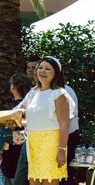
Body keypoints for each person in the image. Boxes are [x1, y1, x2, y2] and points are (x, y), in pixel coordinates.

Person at [24, 57, 76, 185]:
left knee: (49, 181)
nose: (42, 71)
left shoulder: (59, 94)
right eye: (40, 68)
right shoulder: (32, 92)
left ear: (56, 73)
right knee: (33, 181)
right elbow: (22, 112)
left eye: (48, 69)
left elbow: (65, 124)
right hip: (33, 144)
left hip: (52, 145)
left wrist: (62, 150)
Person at [1, 74, 31, 183]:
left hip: (13, 149)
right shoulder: (30, 105)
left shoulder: (14, 108)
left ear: (13, 87)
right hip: (26, 147)